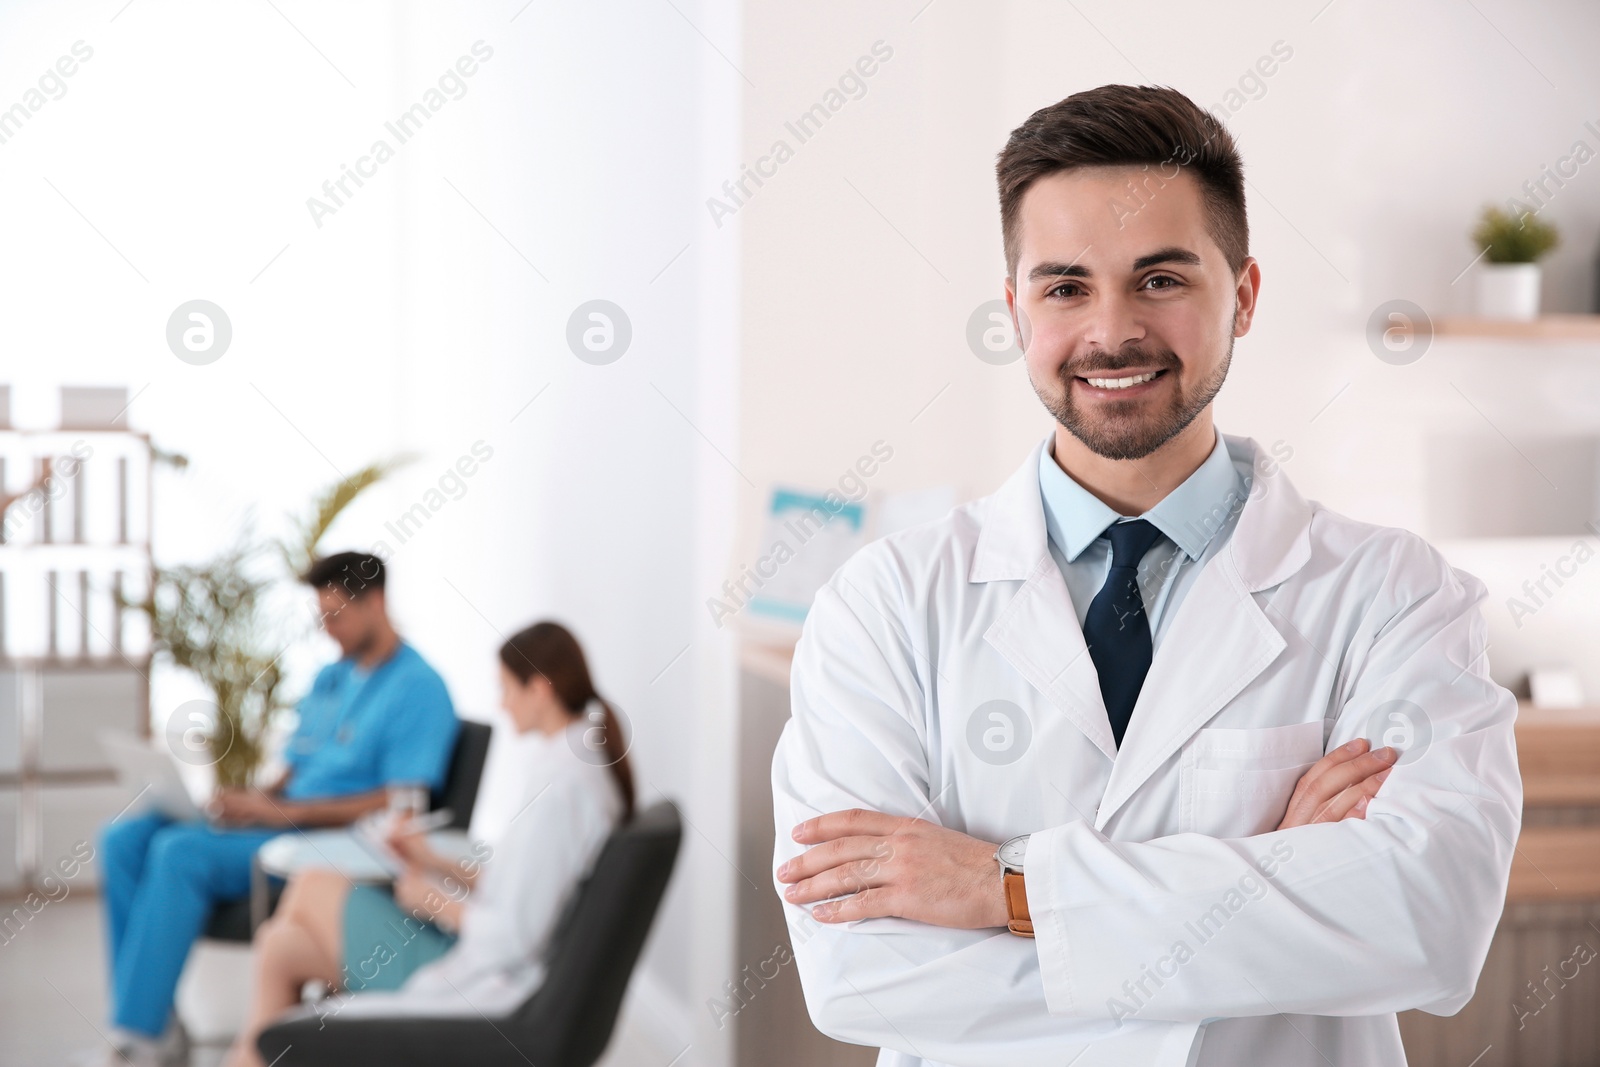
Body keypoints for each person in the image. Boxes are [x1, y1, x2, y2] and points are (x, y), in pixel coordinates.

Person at [772, 85, 1521, 1067]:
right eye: (1064, 286)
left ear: (1243, 294)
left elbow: (1427, 918)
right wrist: (1274, 887)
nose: (1111, 330)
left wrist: (1003, 891)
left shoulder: (1393, 593)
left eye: (1160, 278)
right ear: (1013, 309)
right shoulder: (884, 605)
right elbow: (861, 972)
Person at [96, 552, 460, 1067]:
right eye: (322, 616)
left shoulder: (419, 687)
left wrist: (284, 813)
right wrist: (254, 801)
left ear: (375, 603)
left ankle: (139, 1035)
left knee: (179, 852)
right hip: (276, 820)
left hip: (323, 841)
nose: (328, 628)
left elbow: (402, 800)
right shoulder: (332, 679)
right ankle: (153, 1016)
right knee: (123, 839)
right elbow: (293, 768)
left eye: (337, 615)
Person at [223, 620, 632, 1067]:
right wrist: (431, 859)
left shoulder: (562, 789)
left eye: (507, 689)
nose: (502, 703)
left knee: (312, 885)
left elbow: (518, 937)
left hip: (487, 977)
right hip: (482, 956)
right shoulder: (571, 768)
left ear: (540, 689)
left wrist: (433, 902)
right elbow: (523, 887)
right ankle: (251, 1058)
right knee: (278, 944)